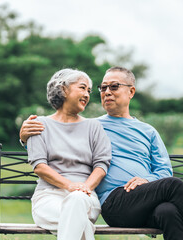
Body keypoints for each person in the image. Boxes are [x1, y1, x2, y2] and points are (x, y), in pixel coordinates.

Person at [20, 67, 183, 240]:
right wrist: (24, 137)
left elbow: (164, 170)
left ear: (131, 91)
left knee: (169, 212)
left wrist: (147, 180)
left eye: (114, 86)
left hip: (146, 201)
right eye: (103, 88)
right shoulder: (92, 126)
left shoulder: (148, 131)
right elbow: (63, 134)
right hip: (114, 201)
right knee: (174, 185)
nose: (106, 92)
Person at [25, 68, 111, 240]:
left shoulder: (94, 127)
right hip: (48, 197)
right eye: (82, 88)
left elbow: (101, 165)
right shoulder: (39, 124)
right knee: (79, 222)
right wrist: (70, 186)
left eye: (89, 91)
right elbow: (40, 167)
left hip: (86, 197)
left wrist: (84, 188)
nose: (87, 94)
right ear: (63, 88)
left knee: (77, 201)